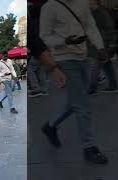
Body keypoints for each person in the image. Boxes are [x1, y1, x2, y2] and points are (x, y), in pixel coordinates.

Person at [40, 0, 108, 164]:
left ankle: (50, 126)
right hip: (64, 59)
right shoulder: (49, 6)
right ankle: (89, 147)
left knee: (76, 101)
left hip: (82, 56)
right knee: (82, 104)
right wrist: (64, 41)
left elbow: (90, 25)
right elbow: (45, 36)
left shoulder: (81, 3)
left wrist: (100, 46)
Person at [88, 0, 118, 95]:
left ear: (94, 2)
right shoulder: (93, 13)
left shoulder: (102, 13)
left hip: (102, 44)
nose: (86, 2)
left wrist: (108, 43)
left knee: (95, 66)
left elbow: (109, 28)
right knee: (107, 65)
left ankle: (91, 89)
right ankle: (113, 86)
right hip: (101, 42)